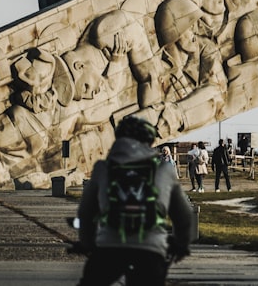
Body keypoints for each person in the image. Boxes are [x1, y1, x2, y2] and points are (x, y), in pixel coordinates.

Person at [75, 115, 193, 286]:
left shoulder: (103, 168)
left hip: (110, 248)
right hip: (150, 248)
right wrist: (181, 244)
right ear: (150, 140)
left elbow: (86, 212)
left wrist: (87, 243)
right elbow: (184, 215)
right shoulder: (163, 169)